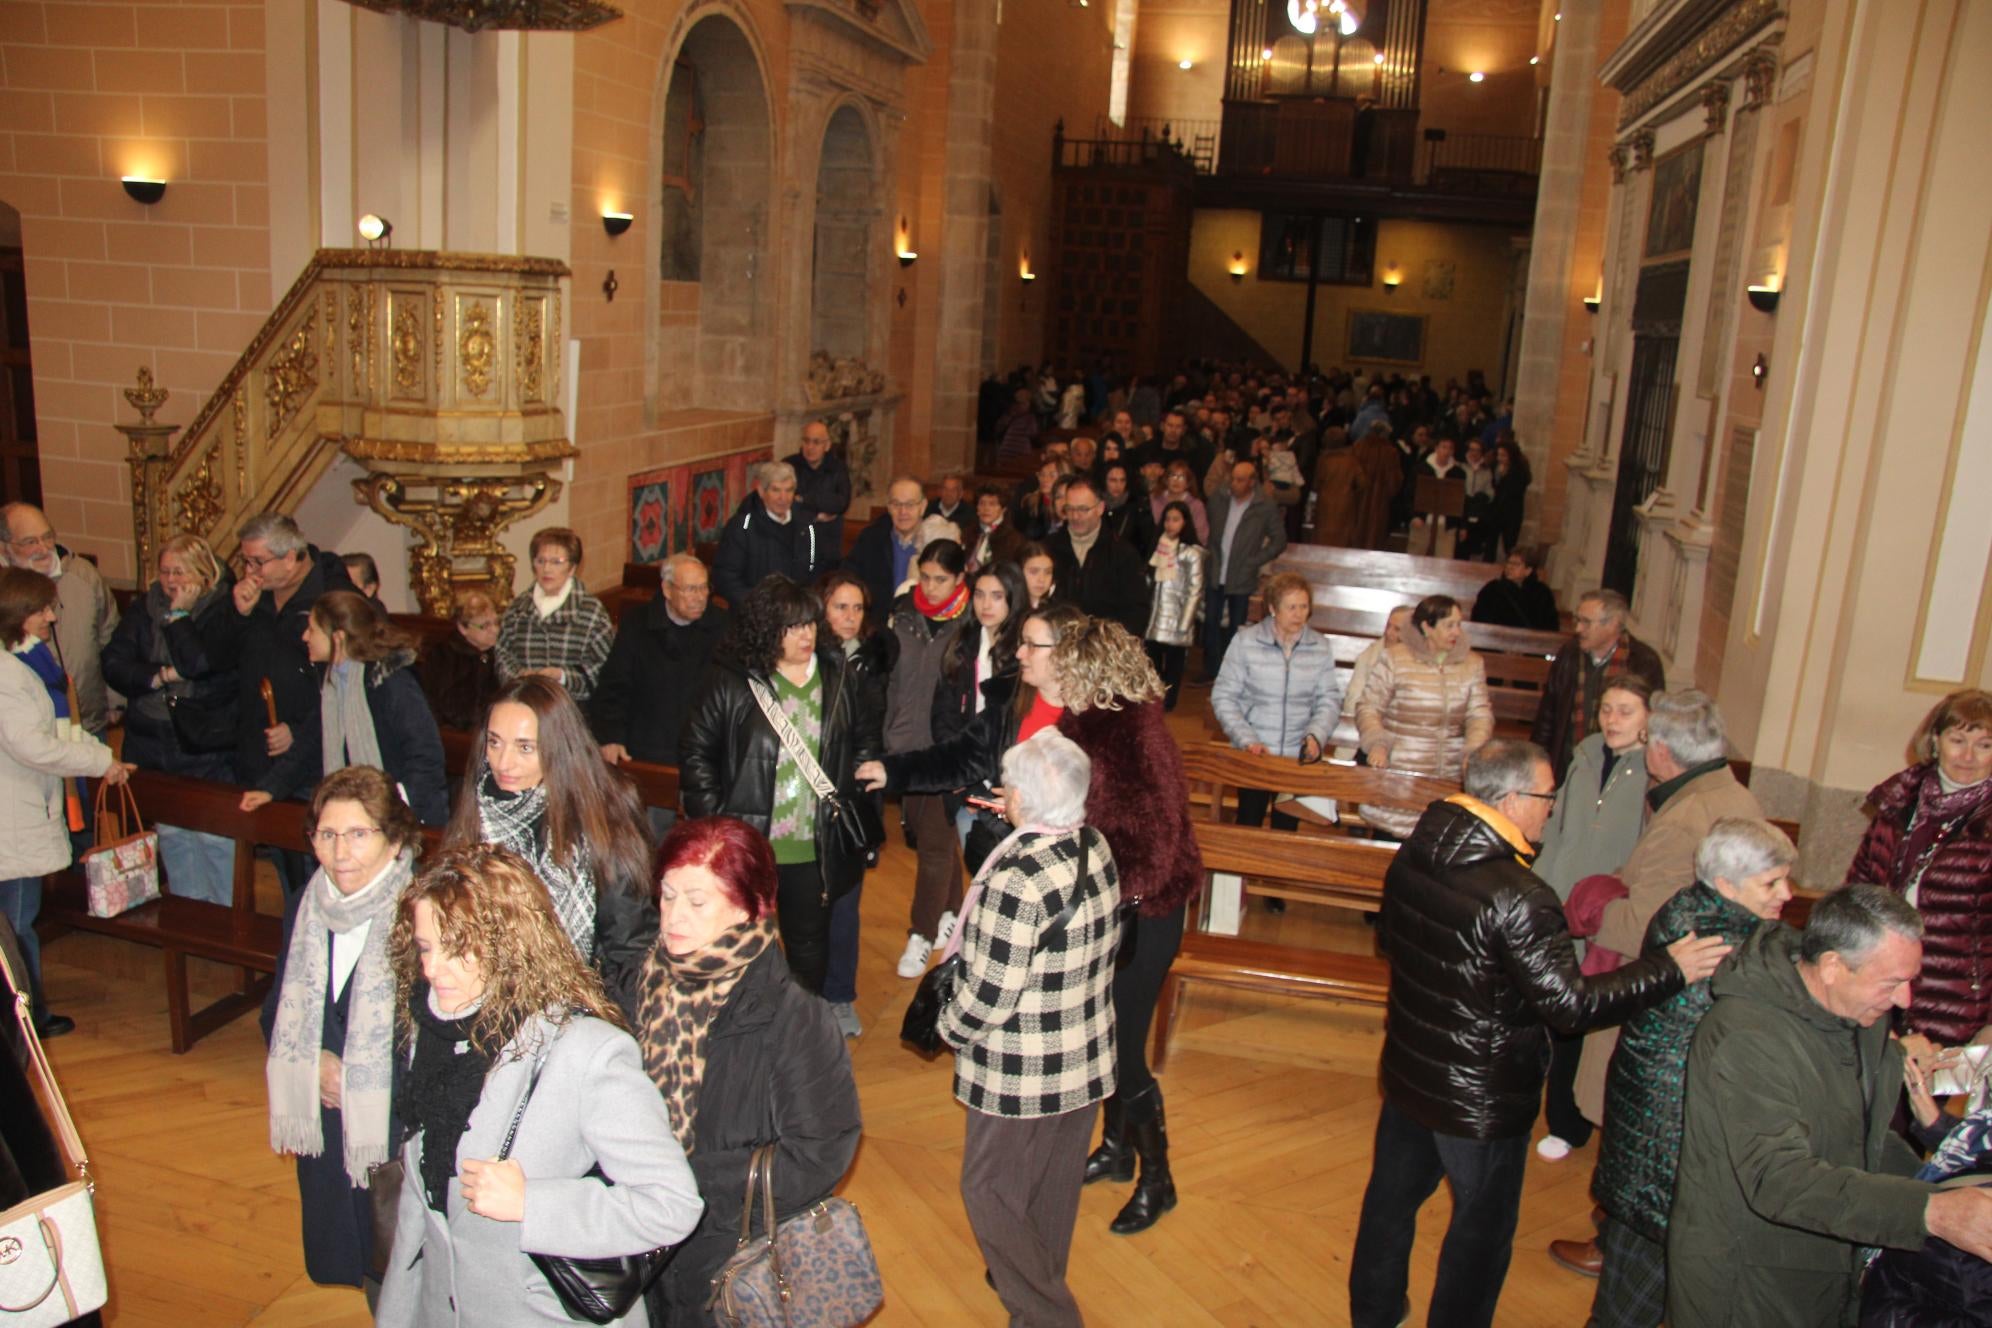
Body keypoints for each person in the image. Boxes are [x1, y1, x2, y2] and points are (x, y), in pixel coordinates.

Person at [1346, 739, 1731, 1328]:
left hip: (1410, 1071)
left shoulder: (1417, 851)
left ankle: (1373, 1313)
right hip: (1482, 1099)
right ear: (1510, 798)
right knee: (1481, 1235)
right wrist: (1669, 968)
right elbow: (1571, 1008)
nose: (1552, 807)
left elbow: (1391, 942)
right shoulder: (1521, 897)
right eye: (1547, 796)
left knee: (1389, 1206)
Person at [856, 606, 1201, 1235]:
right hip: (1106, 908)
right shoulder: (1083, 721)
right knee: (1104, 1031)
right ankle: (1118, 1151)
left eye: (1061, 663)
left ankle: (1159, 1178)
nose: (1045, 671)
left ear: (1090, 671)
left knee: (1121, 1048)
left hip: (1144, 914)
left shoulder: (1133, 733)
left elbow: (1151, 848)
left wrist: (1082, 885)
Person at [375, 844, 704, 1328]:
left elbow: (672, 1205)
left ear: (510, 945)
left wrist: (534, 1203)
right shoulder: (435, 1028)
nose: (432, 969)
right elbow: (420, 1204)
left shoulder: (586, 1052)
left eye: (458, 949)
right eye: (426, 947)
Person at [1668, 886, 1992, 1327]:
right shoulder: (1746, 1038)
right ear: (1834, 966)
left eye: (1910, 980)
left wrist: (1948, 1189)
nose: (1906, 1002)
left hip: (1828, 1259)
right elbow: (1779, 1180)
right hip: (1749, 1282)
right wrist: (1930, 1210)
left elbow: (1864, 1138)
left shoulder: (1859, 1016)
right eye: (1892, 982)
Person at [632, 816, 862, 1325]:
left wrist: (690, 1180)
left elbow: (820, 1153)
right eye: (668, 895)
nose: (673, 916)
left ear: (750, 907)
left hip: (727, 1253)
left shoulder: (792, 1016)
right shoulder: (644, 980)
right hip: (639, 1234)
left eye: (697, 902)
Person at [1586, 819, 1797, 1328]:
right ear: (1726, 885)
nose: (1788, 894)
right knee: (1634, 1301)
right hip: (1669, 1152)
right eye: (1771, 883)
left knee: (1628, 1290)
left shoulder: (1690, 908)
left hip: (1651, 1140)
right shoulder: (1728, 948)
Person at [947, 730, 1120, 1328]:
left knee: (989, 1192)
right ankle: (1035, 1309)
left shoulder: (1017, 879)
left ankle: (1049, 1315)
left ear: (1023, 799)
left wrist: (947, 1026)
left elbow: (989, 997)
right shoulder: (1092, 844)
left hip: (1022, 1069)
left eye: (1011, 786)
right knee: (1050, 1192)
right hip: (1085, 1055)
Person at [1568, 689, 1764, 1141]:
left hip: (1665, 996)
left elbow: (1644, 927)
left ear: (1660, 749)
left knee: (1639, 1125)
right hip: (1712, 986)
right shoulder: (1733, 796)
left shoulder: (1686, 818)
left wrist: (1591, 905)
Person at [678, 576, 883, 994]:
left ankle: (800, 1032)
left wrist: (849, 786)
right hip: (749, 847)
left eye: (809, 623)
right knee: (741, 946)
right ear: (767, 631)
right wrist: (716, 818)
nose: (804, 635)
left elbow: (865, 739)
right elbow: (696, 752)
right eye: (791, 627)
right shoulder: (733, 681)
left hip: (814, 846)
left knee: (809, 951)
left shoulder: (838, 677)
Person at [264, 766, 421, 1290]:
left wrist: (355, 1075)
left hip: (394, 1129)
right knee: (351, 1258)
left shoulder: (422, 914)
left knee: (399, 1272)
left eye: (358, 834)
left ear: (395, 840)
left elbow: (439, 1036)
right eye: (326, 835)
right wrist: (314, 1065)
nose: (340, 852)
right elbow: (276, 1008)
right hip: (329, 1123)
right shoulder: (307, 905)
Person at [445, 676, 658, 1019]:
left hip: (580, 1010)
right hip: (485, 1004)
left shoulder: (601, 820)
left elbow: (630, 947)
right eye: (495, 743)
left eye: (525, 747)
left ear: (559, 747)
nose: (503, 762)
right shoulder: (478, 805)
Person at [0, 568, 132, 1038]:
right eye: (44, 609)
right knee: (15, 930)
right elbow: (30, 745)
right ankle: (23, 1023)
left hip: (14, 811)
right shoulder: (9, 675)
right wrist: (99, 758)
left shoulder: (19, 664)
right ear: (18, 613)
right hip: (12, 819)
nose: (52, 618)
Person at [1530, 673, 1654, 1161]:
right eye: (1607, 709)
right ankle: (1539, 1110)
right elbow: (1555, 829)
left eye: (1626, 710)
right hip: (1561, 900)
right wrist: (1541, 888)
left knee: (1588, 1020)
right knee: (1550, 1010)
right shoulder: (1584, 757)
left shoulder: (1653, 772)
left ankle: (1573, 1121)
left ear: (1648, 720)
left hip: (1606, 913)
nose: (1613, 720)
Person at [1845, 687, 1992, 1043]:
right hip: (1878, 983)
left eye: (1985, 745)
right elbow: (1858, 888)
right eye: (1958, 740)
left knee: (1924, 1097)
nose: (1968, 756)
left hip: (1955, 999)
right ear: (1935, 740)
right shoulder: (1899, 801)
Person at [100, 533, 239, 905]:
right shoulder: (145, 607)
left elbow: (200, 666)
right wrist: (159, 676)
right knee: (172, 832)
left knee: (213, 835)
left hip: (204, 739)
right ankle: (188, 911)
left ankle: (223, 915)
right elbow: (114, 662)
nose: (171, 581)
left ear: (203, 571)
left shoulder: (224, 607)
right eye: (165, 572)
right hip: (151, 737)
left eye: (180, 571)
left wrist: (180, 616)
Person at [203, 513, 357, 832]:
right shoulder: (250, 596)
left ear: (290, 558)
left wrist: (299, 731)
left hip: (314, 756)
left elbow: (345, 683)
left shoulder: (333, 599)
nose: (250, 572)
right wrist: (236, 614)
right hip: (257, 750)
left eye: (258, 562)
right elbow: (211, 660)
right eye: (245, 561)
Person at [265, 591, 447, 827]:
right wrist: (270, 789)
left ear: (337, 638)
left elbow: (427, 755)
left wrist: (392, 808)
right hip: (362, 815)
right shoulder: (334, 683)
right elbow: (308, 744)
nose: (304, 636)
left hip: (405, 818)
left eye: (312, 629)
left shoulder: (390, 683)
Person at [880, 542, 970, 987]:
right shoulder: (902, 614)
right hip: (901, 746)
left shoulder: (967, 624)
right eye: (926, 576)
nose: (931, 588)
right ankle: (954, 909)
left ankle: (922, 933)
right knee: (930, 835)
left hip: (942, 751)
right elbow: (891, 679)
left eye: (941, 579)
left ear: (959, 578)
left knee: (932, 846)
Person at [813, 568, 895, 1030]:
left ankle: (840, 994)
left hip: (854, 792)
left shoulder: (874, 661)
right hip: (811, 791)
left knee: (846, 899)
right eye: (839, 606)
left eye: (857, 608)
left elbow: (874, 729)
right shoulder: (805, 658)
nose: (848, 616)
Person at [1211, 571, 1343, 832]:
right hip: (1256, 754)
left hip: (1297, 756)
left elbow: (1329, 699)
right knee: (1248, 824)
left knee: (1286, 831)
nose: (1299, 614)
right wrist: (1247, 740)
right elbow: (1224, 696)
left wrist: (1316, 736)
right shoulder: (1246, 642)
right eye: (1291, 607)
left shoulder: (1320, 646)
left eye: (1304, 606)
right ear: (1272, 608)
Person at [1355, 594, 1494, 838]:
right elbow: (1369, 707)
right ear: (1427, 627)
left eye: (1459, 624)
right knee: (1388, 852)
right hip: (1399, 774)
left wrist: (1473, 750)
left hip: (1448, 776)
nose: (1456, 632)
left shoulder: (1472, 664)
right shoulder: (1396, 659)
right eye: (1449, 625)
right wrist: (1377, 743)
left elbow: (1479, 714)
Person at [590, 553, 728, 783]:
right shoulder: (637, 625)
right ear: (667, 589)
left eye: (704, 588)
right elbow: (613, 687)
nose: (700, 597)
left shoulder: (722, 626)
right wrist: (611, 736)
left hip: (704, 748)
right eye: (690, 589)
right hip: (647, 747)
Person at [0, 503, 119, 741]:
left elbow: (111, 637)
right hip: (30, 726)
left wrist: (116, 700)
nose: (43, 548)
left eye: (47, 537)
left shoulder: (83, 575)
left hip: (88, 718)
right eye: (30, 542)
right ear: (4, 548)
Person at [1531, 589, 1666, 781]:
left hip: (1620, 768)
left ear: (1613, 624)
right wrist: (1538, 760)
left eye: (1586, 622)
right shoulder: (1569, 654)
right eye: (1577, 620)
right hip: (1569, 763)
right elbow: (1548, 713)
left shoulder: (1643, 662)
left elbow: (1655, 722)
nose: (1578, 629)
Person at [494, 526, 614, 704]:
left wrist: (562, 677)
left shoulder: (591, 612)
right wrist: (519, 677)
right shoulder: (518, 609)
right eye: (540, 561)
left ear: (572, 568)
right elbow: (502, 656)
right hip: (524, 704)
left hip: (572, 711)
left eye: (556, 562)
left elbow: (604, 669)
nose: (546, 569)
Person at [1203, 458, 1289, 678]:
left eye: (1240, 480)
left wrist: (1256, 560)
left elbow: (1279, 540)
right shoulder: (1220, 499)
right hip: (1216, 571)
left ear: (1252, 482)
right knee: (1210, 623)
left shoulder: (1264, 505)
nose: (1234, 484)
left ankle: (1232, 672)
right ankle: (1211, 671)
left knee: (1236, 628)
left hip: (1242, 575)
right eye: (1233, 479)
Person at [712, 461, 836, 606]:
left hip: (796, 611)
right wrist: (759, 606)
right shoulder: (742, 528)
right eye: (776, 490)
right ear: (761, 491)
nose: (783, 498)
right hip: (755, 612)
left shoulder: (807, 526)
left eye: (789, 490)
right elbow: (726, 577)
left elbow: (816, 570)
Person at [1043, 477, 1149, 636]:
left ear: (1100, 508)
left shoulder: (1123, 554)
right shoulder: (1048, 549)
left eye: (1083, 509)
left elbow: (1136, 611)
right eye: (1070, 509)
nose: (1075, 516)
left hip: (1104, 646)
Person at [1143, 500, 1205, 711]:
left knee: (1175, 665)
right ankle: (1155, 698)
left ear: (1185, 523)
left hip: (1177, 617)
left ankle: (1169, 702)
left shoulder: (1191, 553)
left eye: (1176, 520)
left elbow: (1195, 590)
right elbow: (1150, 580)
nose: (1171, 524)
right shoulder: (1157, 547)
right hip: (1155, 616)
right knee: (1153, 660)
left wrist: (1185, 622)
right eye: (1168, 520)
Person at [845, 475, 931, 618]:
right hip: (878, 625)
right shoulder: (871, 539)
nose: (903, 512)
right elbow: (850, 577)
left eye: (910, 504)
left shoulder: (935, 542)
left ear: (922, 507)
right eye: (896, 504)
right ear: (889, 507)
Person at [416, 588, 501, 732]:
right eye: (485, 626)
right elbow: (434, 706)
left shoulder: (501, 654)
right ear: (463, 628)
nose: (495, 630)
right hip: (455, 736)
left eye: (496, 623)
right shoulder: (442, 657)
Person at [784, 417, 851, 532]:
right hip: (795, 531)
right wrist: (814, 517)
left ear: (827, 445)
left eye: (816, 442)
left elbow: (841, 503)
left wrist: (803, 499)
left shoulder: (838, 468)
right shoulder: (789, 465)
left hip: (826, 532)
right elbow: (784, 501)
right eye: (806, 441)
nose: (810, 447)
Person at [1472, 545, 1560, 632]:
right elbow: (1480, 618)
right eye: (1508, 562)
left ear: (1528, 570)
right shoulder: (1492, 588)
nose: (1509, 567)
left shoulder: (1542, 593)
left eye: (1516, 564)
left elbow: (1551, 625)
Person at [1409, 435, 1467, 558]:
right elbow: (1409, 494)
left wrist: (1463, 526)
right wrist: (1413, 516)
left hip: (1446, 526)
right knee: (1415, 560)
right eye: (1443, 447)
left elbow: (1462, 500)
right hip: (1422, 522)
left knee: (1443, 563)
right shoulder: (1421, 469)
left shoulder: (1458, 473)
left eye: (1450, 448)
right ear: (1436, 448)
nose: (1446, 451)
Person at [1350, 421, 1405, 550]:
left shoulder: (1358, 446)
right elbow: (1394, 482)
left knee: (1356, 534)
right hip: (1379, 503)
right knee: (1374, 538)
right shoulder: (1390, 452)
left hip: (1357, 500)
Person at [1488, 436, 1533, 561]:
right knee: (1491, 542)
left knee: (1509, 543)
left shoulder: (1519, 471)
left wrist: (1504, 477)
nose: (1500, 458)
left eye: (1503, 455)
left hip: (1512, 511)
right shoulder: (1495, 467)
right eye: (1499, 455)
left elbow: (1515, 490)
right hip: (1496, 509)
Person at [965, 484, 1026, 574]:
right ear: (977, 508)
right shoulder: (967, 533)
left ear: (1003, 509)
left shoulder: (1014, 540)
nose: (986, 508)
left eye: (992, 504)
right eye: (982, 503)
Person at [1150, 461, 1209, 546]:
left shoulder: (1196, 506)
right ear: (1166, 480)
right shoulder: (1154, 499)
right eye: (1173, 476)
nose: (1176, 480)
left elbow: (1202, 537)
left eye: (1182, 477)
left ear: (1188, 483)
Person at [1020, 541, 1058, 610]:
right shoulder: (1006, 609)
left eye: (1048, 572)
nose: (1042, 579)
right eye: (1034, 572)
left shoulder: (1056, 609)